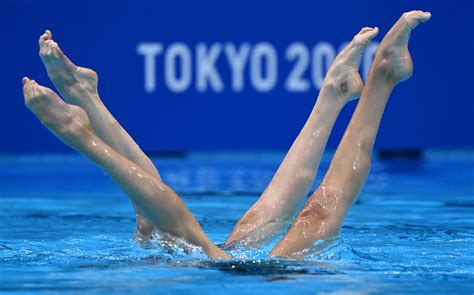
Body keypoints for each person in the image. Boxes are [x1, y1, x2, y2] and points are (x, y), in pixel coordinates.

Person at [22, 10, 431, 260]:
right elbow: (161, 201)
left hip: (213, 266)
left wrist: (80, 131)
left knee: (236, 220)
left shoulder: (167, 246)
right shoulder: (171, 245)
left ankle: (345, 89)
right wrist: (82, 120)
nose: (147, 210)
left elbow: (161, 202)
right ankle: (379, 78)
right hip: (231, 272)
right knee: (313, 214)